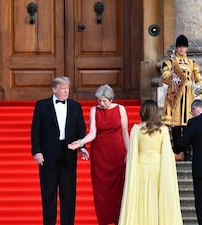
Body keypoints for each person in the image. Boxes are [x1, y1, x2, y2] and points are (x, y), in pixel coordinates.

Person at [31, 76, 89, 225]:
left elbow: (81, 129)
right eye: (63, 89)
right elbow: (35, 130)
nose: (66, 91)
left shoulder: (76, 106)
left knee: (68, 195)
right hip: (48, 156)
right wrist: (37, 151)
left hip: (68, 156)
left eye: (67, 89)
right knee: (48, 194)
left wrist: (81, 146)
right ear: (54, 89)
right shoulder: (42, 106)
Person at [68, 84, 129, 225]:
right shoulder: (94, 110)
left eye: (104, 101)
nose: (101, 104)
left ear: (111, 99)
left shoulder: (121, 109)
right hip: (100, 155)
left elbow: (125, 133)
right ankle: (104, 220)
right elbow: (93, 133)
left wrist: (130, 151)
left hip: (117, 153)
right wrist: (81, 142)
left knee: (119, 189)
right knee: (101, 191)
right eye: (99, 101)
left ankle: (119, 220)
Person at [118, 99, 183, 225]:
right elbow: (167, 152)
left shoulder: (136, 129)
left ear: (143, 112)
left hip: (141, 168)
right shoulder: (163, 130)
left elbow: (132, 153)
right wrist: (178, 157)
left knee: (141, 199)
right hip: (159, 168)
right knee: (157, 199)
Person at [161, 34, 202, 161]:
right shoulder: (170, 61)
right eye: (179, 47)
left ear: (187, 48)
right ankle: (177, 151)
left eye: (183, 47)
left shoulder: (192, 63)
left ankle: (188, 151)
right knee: (175, 126)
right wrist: (171, 78)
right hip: (175, 97)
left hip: (189, 97)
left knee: (188, 126)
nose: (181, 49)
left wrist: (200, 95)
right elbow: (165, 76)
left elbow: (198, 80)